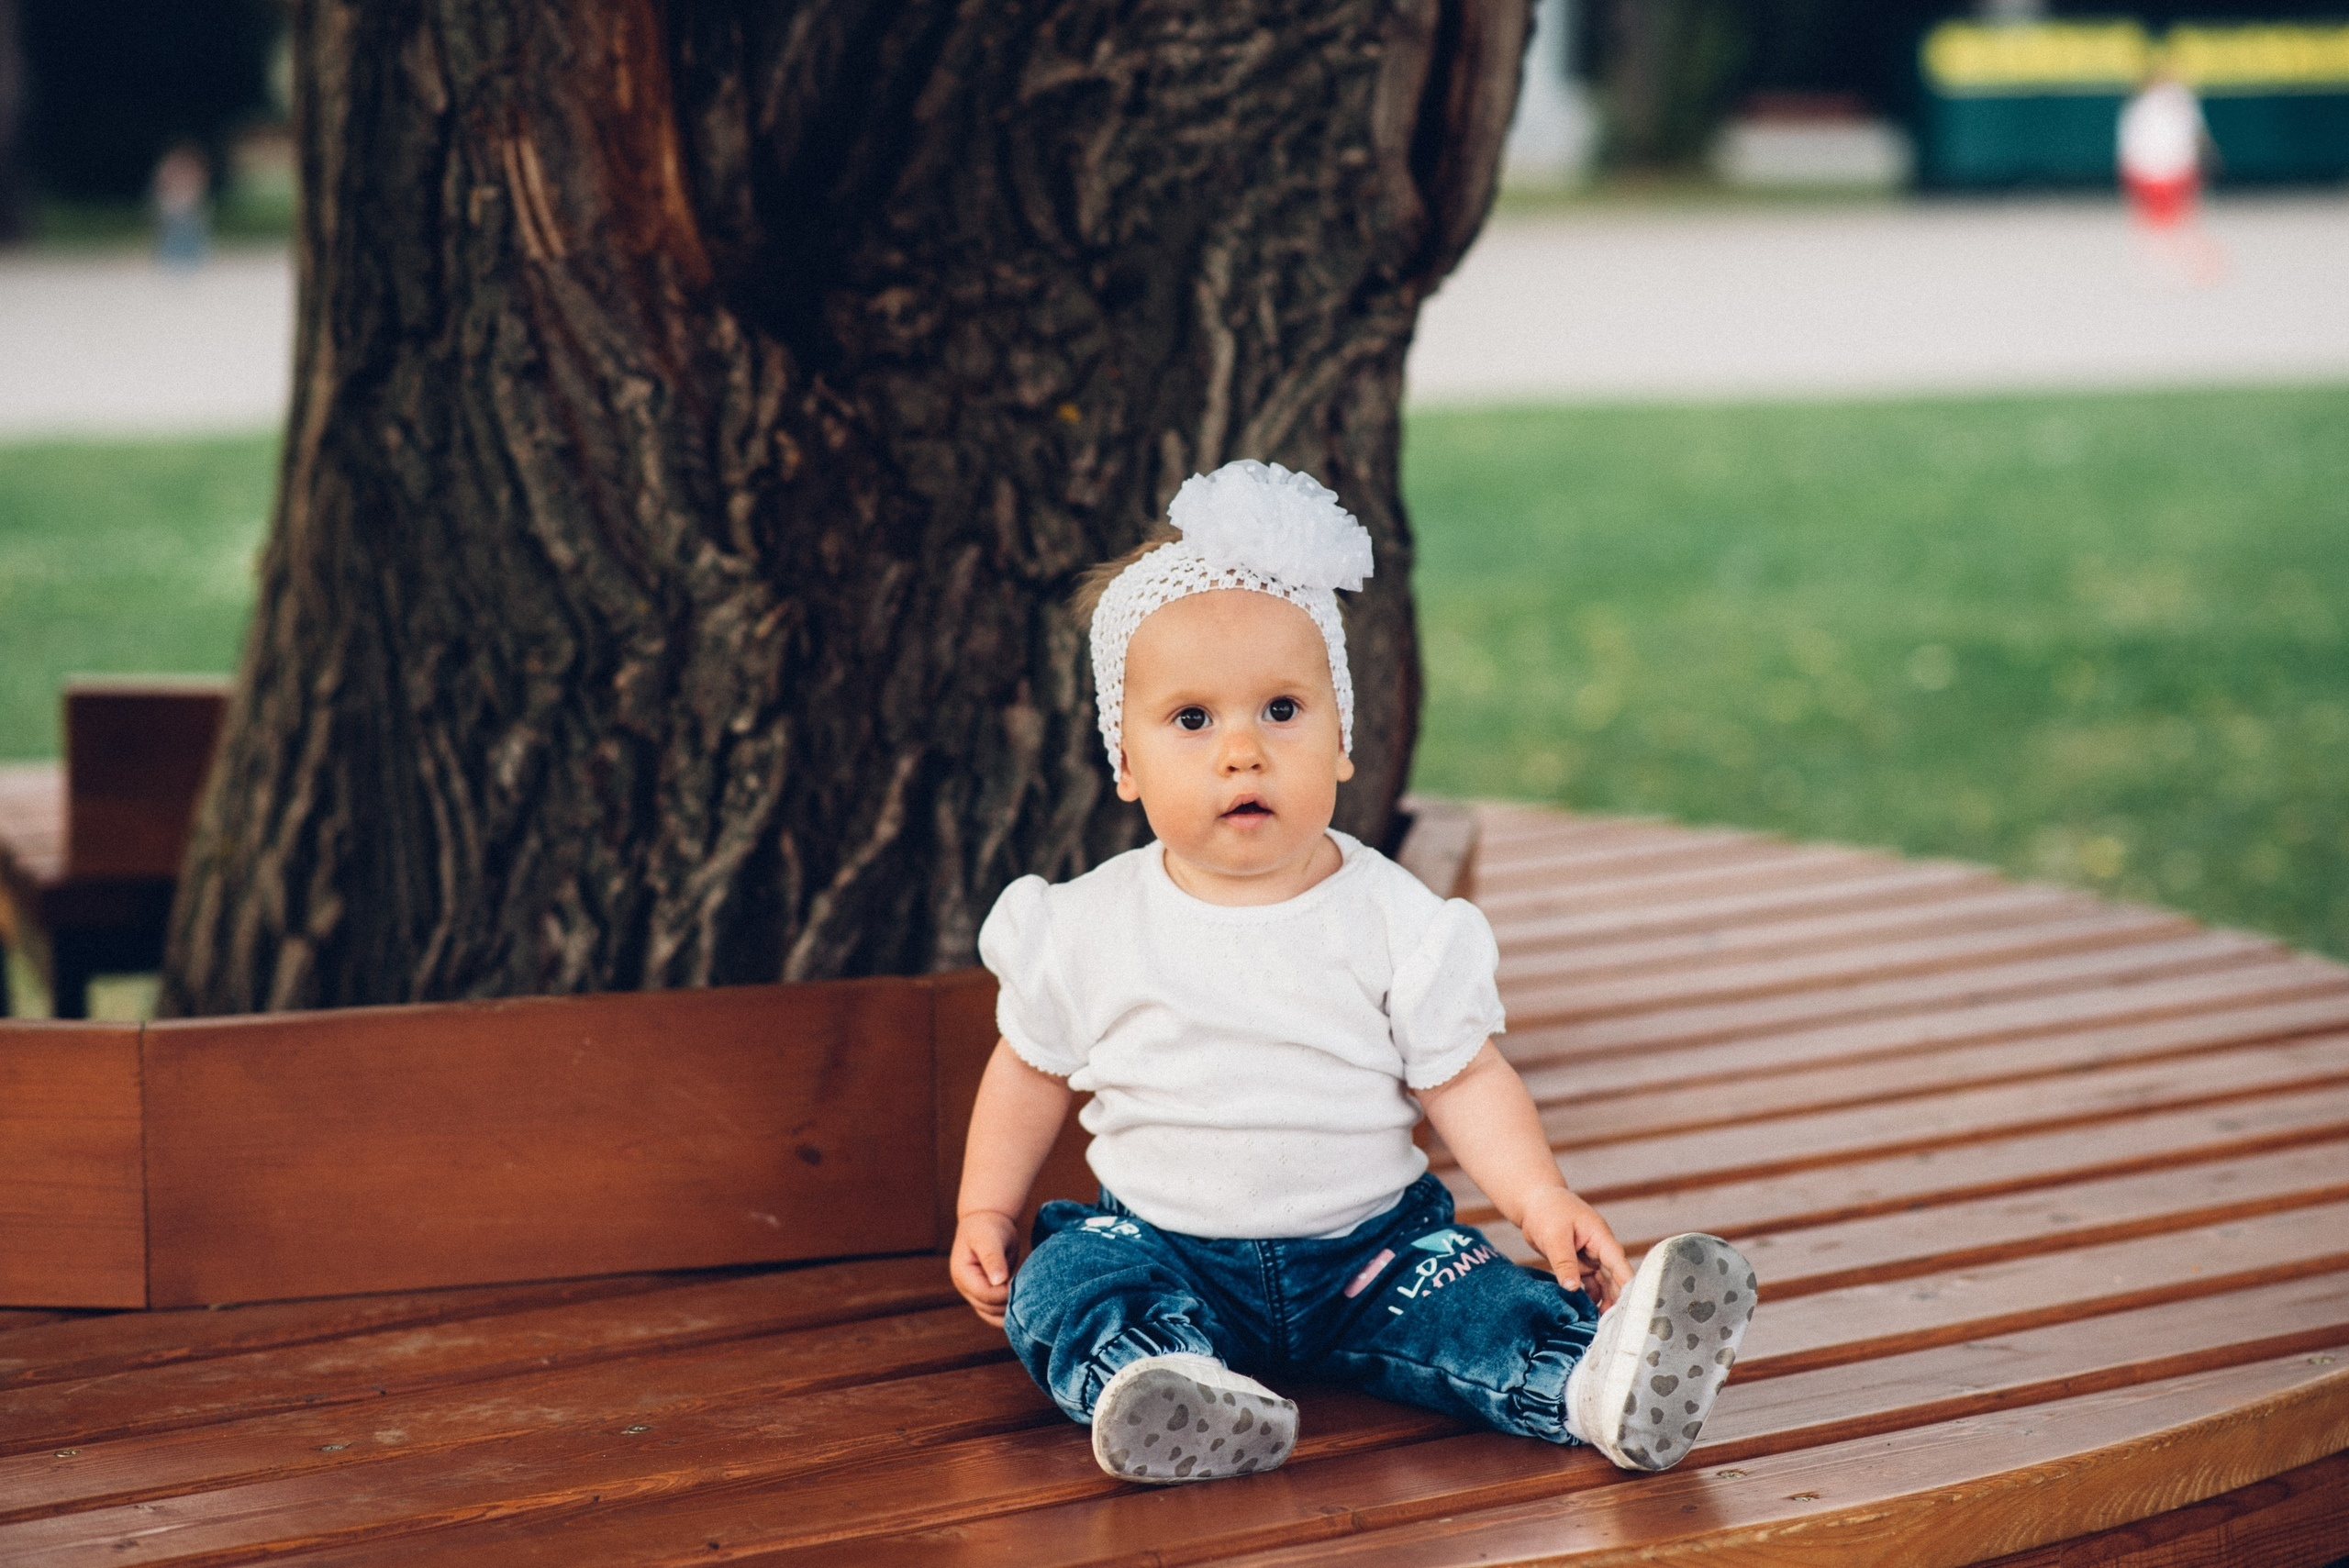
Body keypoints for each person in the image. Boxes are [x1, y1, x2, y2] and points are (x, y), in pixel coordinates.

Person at [949, 459, 1755, 1485]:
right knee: (1066, 1280)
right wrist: (987, 1209)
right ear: (1125, 759)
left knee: (1475, 1297)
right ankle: (1161, 1382)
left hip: (1373, 1258)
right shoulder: (1085, 923)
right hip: (1162, 1243)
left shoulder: (1393, 917)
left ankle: (1591, 1383)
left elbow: (1462, 1073)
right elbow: (1028, 1067)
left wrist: (1538, 1196)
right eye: (1192, 720)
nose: (1241, 751)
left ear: (1341, 739)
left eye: (1280, 710)